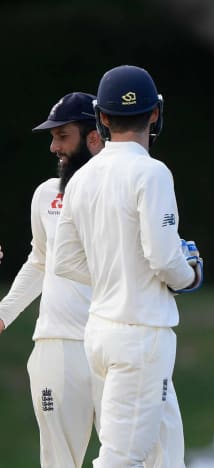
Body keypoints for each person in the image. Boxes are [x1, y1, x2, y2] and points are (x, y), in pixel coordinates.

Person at [52, 65, 203, 467]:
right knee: (121, 458)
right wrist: (190, 275)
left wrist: (115, 273)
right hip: (141, 335)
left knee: (166, 451)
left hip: (101, 332)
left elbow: (64, 260)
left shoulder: (82, 178)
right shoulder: (151, 172)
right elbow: (165, 258)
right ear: (155, 113)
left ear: (101, 117)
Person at [0, 91, 103, 468]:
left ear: (93, 137)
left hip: (116, 343)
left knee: (131, 457)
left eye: (63, 136)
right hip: (57, 346)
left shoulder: (130, 188)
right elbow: (41, 260)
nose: (53, 146)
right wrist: (4, 312)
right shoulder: (46, 195)